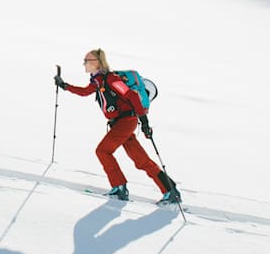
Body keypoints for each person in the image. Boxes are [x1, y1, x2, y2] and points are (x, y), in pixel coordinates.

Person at [56, 48, 180, 204]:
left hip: (126, 122)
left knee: (103, 151)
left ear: (97, 63)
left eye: (87, 61)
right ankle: (170, 190)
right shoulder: (98, 80)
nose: (84, 64)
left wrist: (144, 122)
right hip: (120, 124)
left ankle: (119, 187)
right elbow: (84, 91)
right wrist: (64, 85)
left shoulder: (111, 79)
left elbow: (132, 96)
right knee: (141, 160)